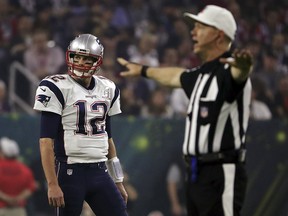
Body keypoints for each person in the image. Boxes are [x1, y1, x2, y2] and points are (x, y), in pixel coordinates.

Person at [117, 4, 253, 216]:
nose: (193, 32)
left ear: (219, 35)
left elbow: (237, 78)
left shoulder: (230, 71)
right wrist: (143, 70)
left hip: (221, 170)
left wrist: (243, 70)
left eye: (200, 27)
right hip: (196, 172)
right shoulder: (200, 75)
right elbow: (174, 76)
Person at [33, 33, 128, 216]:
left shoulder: (108, 88)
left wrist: (118, 180)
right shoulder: (55, 86)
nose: (81, 62)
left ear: (97, 62)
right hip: (70, 171)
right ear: (70, 56)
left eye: (87, 58)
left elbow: (108, 138)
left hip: (100, 171)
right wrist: (52, 184)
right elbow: (46, 141)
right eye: (77, 56)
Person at [0, 137, 36, 216]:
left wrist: (7, 199)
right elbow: (31, 187)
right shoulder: (25, 169)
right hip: (19, 211)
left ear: (2, 152)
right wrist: (17, 199)